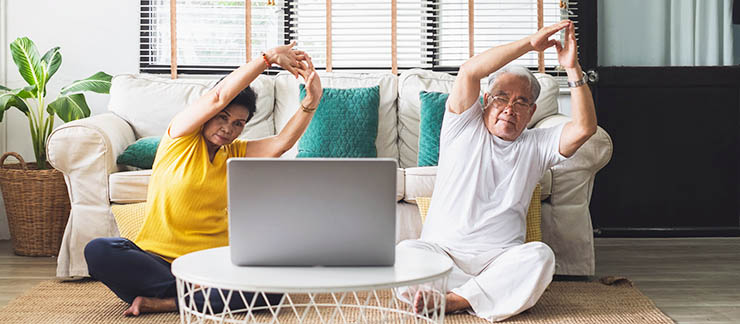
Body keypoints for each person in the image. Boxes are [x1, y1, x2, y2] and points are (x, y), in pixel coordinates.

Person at [83, 42, 323, 316]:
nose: (228, 128)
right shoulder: (180, 138)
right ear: (208, 115)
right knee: (99, 250)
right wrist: (267, 59)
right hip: (156, 262)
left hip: (210, 266)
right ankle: (202, 297)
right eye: (222, 117)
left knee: (275, 284)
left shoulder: (236, 153)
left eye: (238, 124)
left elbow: (280, 144)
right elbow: (218, 96)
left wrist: (310, 103)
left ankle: (168, 302)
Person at [397, 20, 597, 322]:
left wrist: (573, 68)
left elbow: (584, 127)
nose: (509, 109)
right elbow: (469, 72)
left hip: (500, 261)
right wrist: (531, 43)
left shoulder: (537, 144)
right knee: (405, 252)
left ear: (531, 112)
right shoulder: (463, 125)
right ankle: (485, 295)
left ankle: (453, 300)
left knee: (540, 256)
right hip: (442, 255)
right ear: (486, 101)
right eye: (502, 98)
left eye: (521, 103)